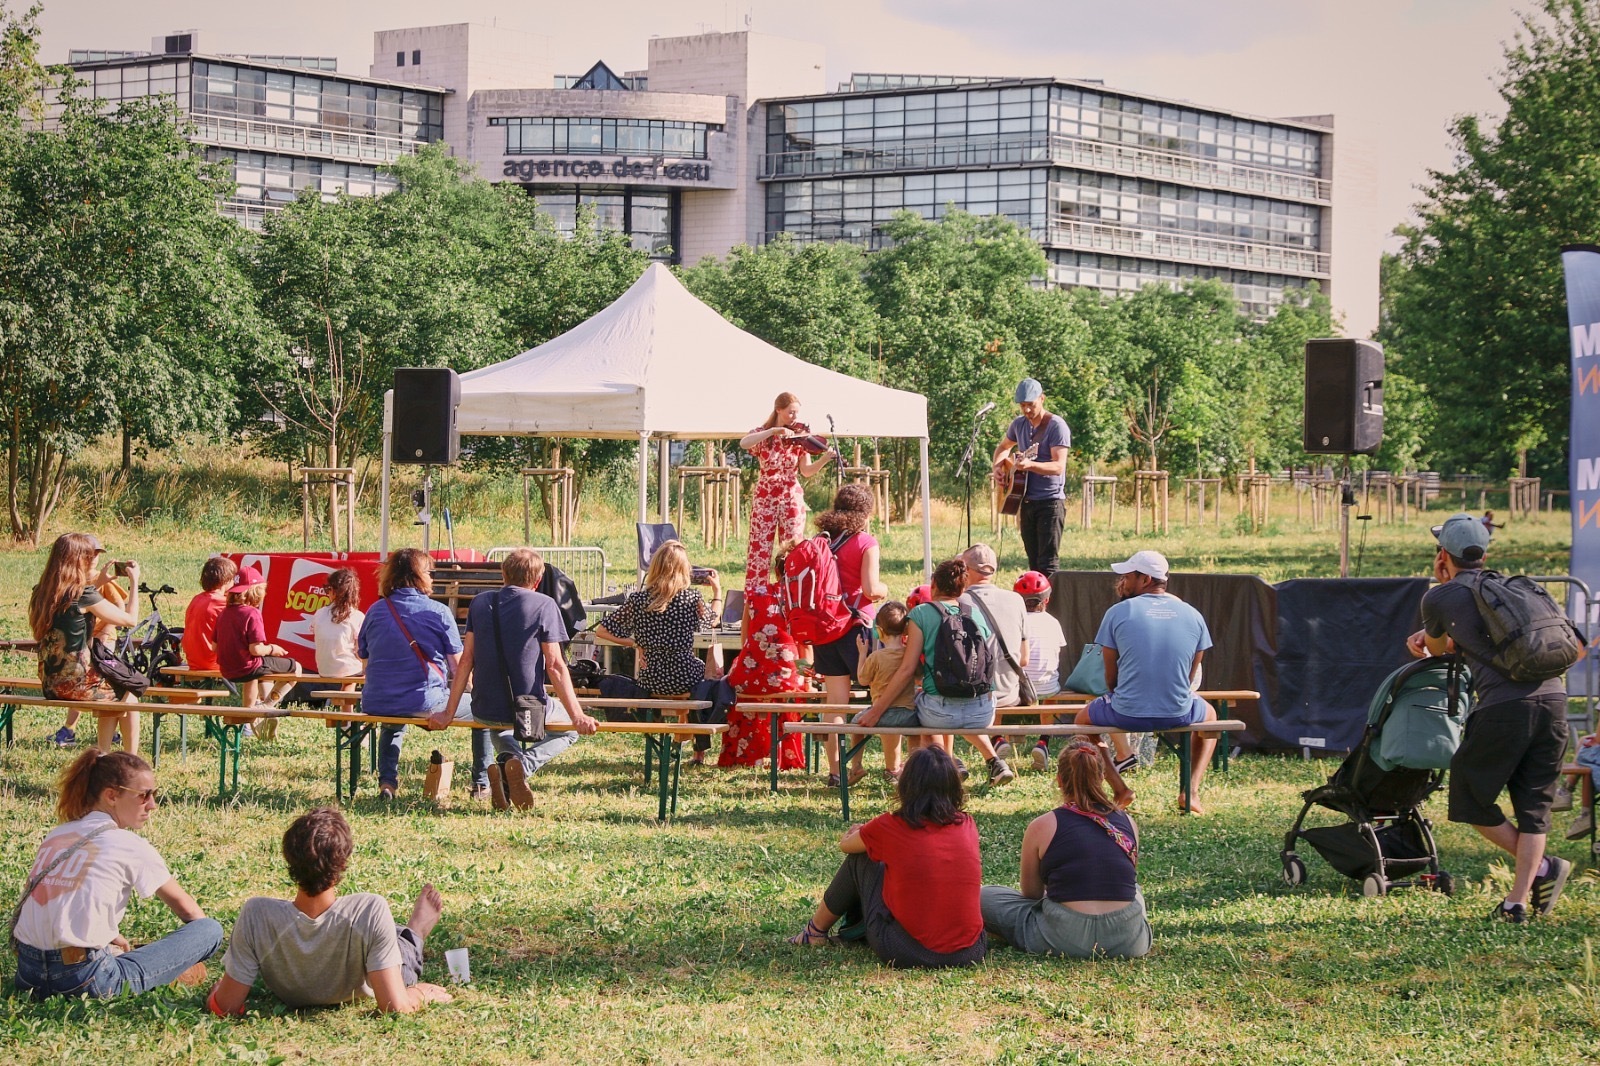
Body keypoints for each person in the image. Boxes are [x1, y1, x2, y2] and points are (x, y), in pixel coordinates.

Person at [1405, 513, 1573, 921]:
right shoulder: (1513, 588)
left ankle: (1546, 868)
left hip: (1503, 709)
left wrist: (1421, 641)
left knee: (1468, 796)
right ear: (1484, 552)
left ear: (1443, 553)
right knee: (1534, 806)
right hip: (1554, 702)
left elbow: (1436, 647)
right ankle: (1516, 902)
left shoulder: (1440, 597)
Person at [12, 749, 222, 999]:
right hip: (87, 979)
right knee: (210, 929)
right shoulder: (127, 843)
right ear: (111, 795)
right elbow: (190, 913)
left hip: (28, 976)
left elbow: (56, 901)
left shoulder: (58, 835)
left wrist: (107, 932)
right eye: (144, 795)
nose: (153, 805)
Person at [207, 808, 453, 1015]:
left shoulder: (256, 914)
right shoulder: (369, 909)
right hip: (368, 963)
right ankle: (415, 932)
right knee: (401, 948)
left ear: (288, 858)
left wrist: (218, 990)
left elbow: (225, 1006)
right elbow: (395, 1005)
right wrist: (420, 992)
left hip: (302, 953)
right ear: (343, 863)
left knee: (388, 932)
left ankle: (405, 932)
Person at [787, 745, 987, 968]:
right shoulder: (967, 824)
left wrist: (859, 832)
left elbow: (847, 846)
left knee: (860, 859)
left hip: (907, 952)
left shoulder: (890, 826)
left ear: (908, 785)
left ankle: (815, 931)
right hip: (971, 951)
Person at [433, 549, 598, 809]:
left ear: (503, 573)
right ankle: (522, 765)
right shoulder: (544, 605)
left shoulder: (480, 603)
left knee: (497, 725)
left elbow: (466, 661)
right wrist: (578, 716)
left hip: (485, 707)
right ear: (539, 577)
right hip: (528, 709)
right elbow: (555, 665)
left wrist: (447, 713)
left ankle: (509, 759)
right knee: (567, 730)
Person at [1074, 550, 1218, 812]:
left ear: (1145, 579)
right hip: (1179, 712)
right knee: (1211, 716)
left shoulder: (1118, 612)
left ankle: (1120, 789)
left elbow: (1110, 674)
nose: (1125, 582)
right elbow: (1190, 675)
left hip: (1126, 712)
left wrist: (1122, 695)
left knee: (1082, 722)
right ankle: (1191, 791)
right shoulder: (1193, 614)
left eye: (1129, 576)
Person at [981, 740, 1150, 959]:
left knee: (983, 896)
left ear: (1059, 780)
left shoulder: (1043, 825)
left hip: (1063, 937)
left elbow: (1031, 894)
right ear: (1101, 778)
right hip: (1128, 941)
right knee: (1136, 891)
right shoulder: (1128, 822)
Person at [859, 558, 1015, 786]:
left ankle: (943, 771)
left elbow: (907, 669)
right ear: (963, 588)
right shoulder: (976, 614)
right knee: (952, 712)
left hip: (940, 711)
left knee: (924, 710)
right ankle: (990, 762)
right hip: (982, 710)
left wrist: (876, 711)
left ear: (933, 584)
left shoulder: (921, 614)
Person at [358, 549, 479, 801]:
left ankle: (387, 784)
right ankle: (481, 784)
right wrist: (474, 692)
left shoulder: (375, 611)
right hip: (425, 701)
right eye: (430, 572)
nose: (433, 578)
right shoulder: (438, 612)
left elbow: (365, 659)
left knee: (392, 722)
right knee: (484, 709)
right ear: (419, 575)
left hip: (378, 701)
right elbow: (459, 668)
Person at [594, 540, 722, 763]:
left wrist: (634, 643)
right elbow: (713, 621)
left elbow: (602, 630)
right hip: (685, 676)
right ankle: (697, 750)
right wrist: (717, 592)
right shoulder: (691, 599)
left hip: (650, 678)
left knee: (695, 682)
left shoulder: (638, 600)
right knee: (705, 681)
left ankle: (680, 741)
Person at [30, 532, 143, 753]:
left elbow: (72, 613)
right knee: (130, 690)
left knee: (117, 689)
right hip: (75, 683)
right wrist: (134, 582)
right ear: (78, 559)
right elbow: (130, 620)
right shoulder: (83, 593)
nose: (92, 560)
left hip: (49, 683)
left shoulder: (41, 591)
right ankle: (128, 760)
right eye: (88, 556)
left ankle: (105, 755)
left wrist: (98, 583)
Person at [811, 484, 890, 785]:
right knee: (881, 696)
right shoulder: (865, 541)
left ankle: (835, 772)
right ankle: (891, 767)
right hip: (856, 628)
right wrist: (884, 591)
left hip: (824, 629)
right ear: (866, 512)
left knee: (835, 705)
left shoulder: (822, 541)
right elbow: (871, 589)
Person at [739, 392, 835, 596]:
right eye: (791, 413)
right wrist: (773, 431)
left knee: (792, 549)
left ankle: (791, 597)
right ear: (778, 410)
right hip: (765, 497)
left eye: (797, 413)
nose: (795, 418)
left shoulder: (799, 438)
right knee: (759, 550)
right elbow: (744, 443)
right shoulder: (762, 434)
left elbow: (806, 471)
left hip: (791, 498)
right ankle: (755, 600)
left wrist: (825, 459)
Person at [721, 583, 807, 770]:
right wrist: (807, 676)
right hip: (785, 676)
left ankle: (745, 753)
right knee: (795, 690)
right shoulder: (800, 596)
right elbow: (804, 644)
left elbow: (744, 640)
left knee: (735, 686)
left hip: (750, 673)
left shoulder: (755, 594)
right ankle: (787, 753)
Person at [991, 378, 1071, 577]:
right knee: (1033, 562)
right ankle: (1035, 605)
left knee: (1048, 563)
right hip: (1026, 501)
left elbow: (1058, 466)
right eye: (1022, 405)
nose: (1026, 410)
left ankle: (1051, 604)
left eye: (1031, 405)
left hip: (1049, 502)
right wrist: (998, 467)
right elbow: (1003, 448)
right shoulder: (1018, 425)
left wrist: (1031, 465)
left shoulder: (1056, 426)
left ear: (1042, 399)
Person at [960, 543, 1029, 763]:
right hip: (1010, 692)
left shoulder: (959, 602)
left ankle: (957, 761)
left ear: (966, 569)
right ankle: (997, 739)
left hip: (975, 695)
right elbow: (1024, 658)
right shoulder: (1016, 600)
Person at [216, 565, 302, 717]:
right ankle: (266, 706)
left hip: (227, 670)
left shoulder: (224, 613)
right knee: (296, 669)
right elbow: (255, 650)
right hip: (248, 668)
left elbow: (214, 646)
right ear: (256, 591)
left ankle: (250, 716)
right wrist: (272, 648)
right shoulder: (252, 613)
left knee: (258, 672)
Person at [848, 601, 919, 781]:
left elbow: (863, 680)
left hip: (882, 714)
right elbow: (918, 677)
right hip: (909, 714)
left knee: (856, 726)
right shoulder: (909, 654)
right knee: (916, 734)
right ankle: (913, 767)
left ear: (879, 631)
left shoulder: (876, 657)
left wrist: (862, 654)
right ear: (905, 631)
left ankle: (856, 765)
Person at [1015, 571, 1069, 771]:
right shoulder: (1053, 623)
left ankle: (997, 739)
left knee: (997, 692)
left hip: (1017, 689)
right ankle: (1043, 741)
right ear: (1047, 599)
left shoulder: (1017, 622)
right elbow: (1057, 653)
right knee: (1050, 691)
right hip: (1046, 687)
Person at [182, 555, 238, 675]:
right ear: (226, 580)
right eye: (233, 577)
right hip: (212, 662)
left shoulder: (196, 599)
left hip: (194, 661)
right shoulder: (221, 602)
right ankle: (267, 694)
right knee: (258, 662)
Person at [309, 568, 365, 681]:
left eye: (327, 589)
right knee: (354, 676)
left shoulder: (319, 613)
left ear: (333, 591)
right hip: (347, 668)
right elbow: (360, 652)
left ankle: (337, 699)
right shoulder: (357, 616)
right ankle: (341, 697)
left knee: (350, 672)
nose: (327, 592)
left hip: (323, 669)